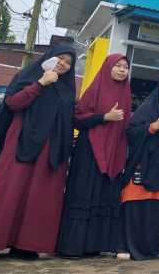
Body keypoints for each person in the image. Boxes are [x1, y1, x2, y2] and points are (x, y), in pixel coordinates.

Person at [0, 45, 77, 262]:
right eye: (60, 58)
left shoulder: (67, 88)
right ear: (49, 57)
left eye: (68, 62)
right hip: (21, 142)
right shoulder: (29, 76)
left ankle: (25, 246)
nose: (63, 64)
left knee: (38, 197)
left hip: (49, 149)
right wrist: (41, 83)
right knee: (8, 192)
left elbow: (69, 118)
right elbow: (13, 103)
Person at [57, 54, 131, 258]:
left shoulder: (126, 94)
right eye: (118, 65)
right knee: (83, 193)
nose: (122, 70)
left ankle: (93, 245)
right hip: (90, 151)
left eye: (125, 67)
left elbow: (126, 127)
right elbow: (78, 119)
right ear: (108, 67)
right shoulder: (95, 89)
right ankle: (72, 246)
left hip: (113, 153)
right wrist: (104, 117)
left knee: (103, 195)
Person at [117, 74, 159, 260]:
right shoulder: (146, 108)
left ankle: (152, 250)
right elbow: (131, 133)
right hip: (143, 165)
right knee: (134, 206)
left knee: (158, 212)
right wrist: (153, 127)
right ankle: (126, 247)